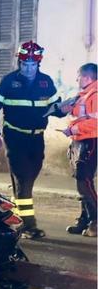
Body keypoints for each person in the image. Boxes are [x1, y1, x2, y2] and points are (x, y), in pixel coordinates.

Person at [0, 41, 57, 239]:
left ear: (38, 64)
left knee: (29, 176)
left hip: (37, 138)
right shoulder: (9, 82)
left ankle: (13, 208)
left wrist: (64, 108)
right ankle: (28, 225)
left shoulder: (46, 82)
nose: (28, 69)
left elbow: (55, 107)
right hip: (15, 137)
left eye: (32, 65)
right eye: (25, 64)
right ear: (20, 62)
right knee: (23, 178)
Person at [57, 63, 97, 237]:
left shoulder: (95, 95)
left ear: (87, 77)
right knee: (81, 182)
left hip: (90, 141)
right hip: (79, 141)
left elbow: (95, 121)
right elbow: (81, 115)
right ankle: (85, 220)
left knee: (84, 182)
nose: (76, 79)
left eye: (78, 76)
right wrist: (67, 109)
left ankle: (95, 221)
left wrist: (74, 129)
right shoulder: (83, 95)